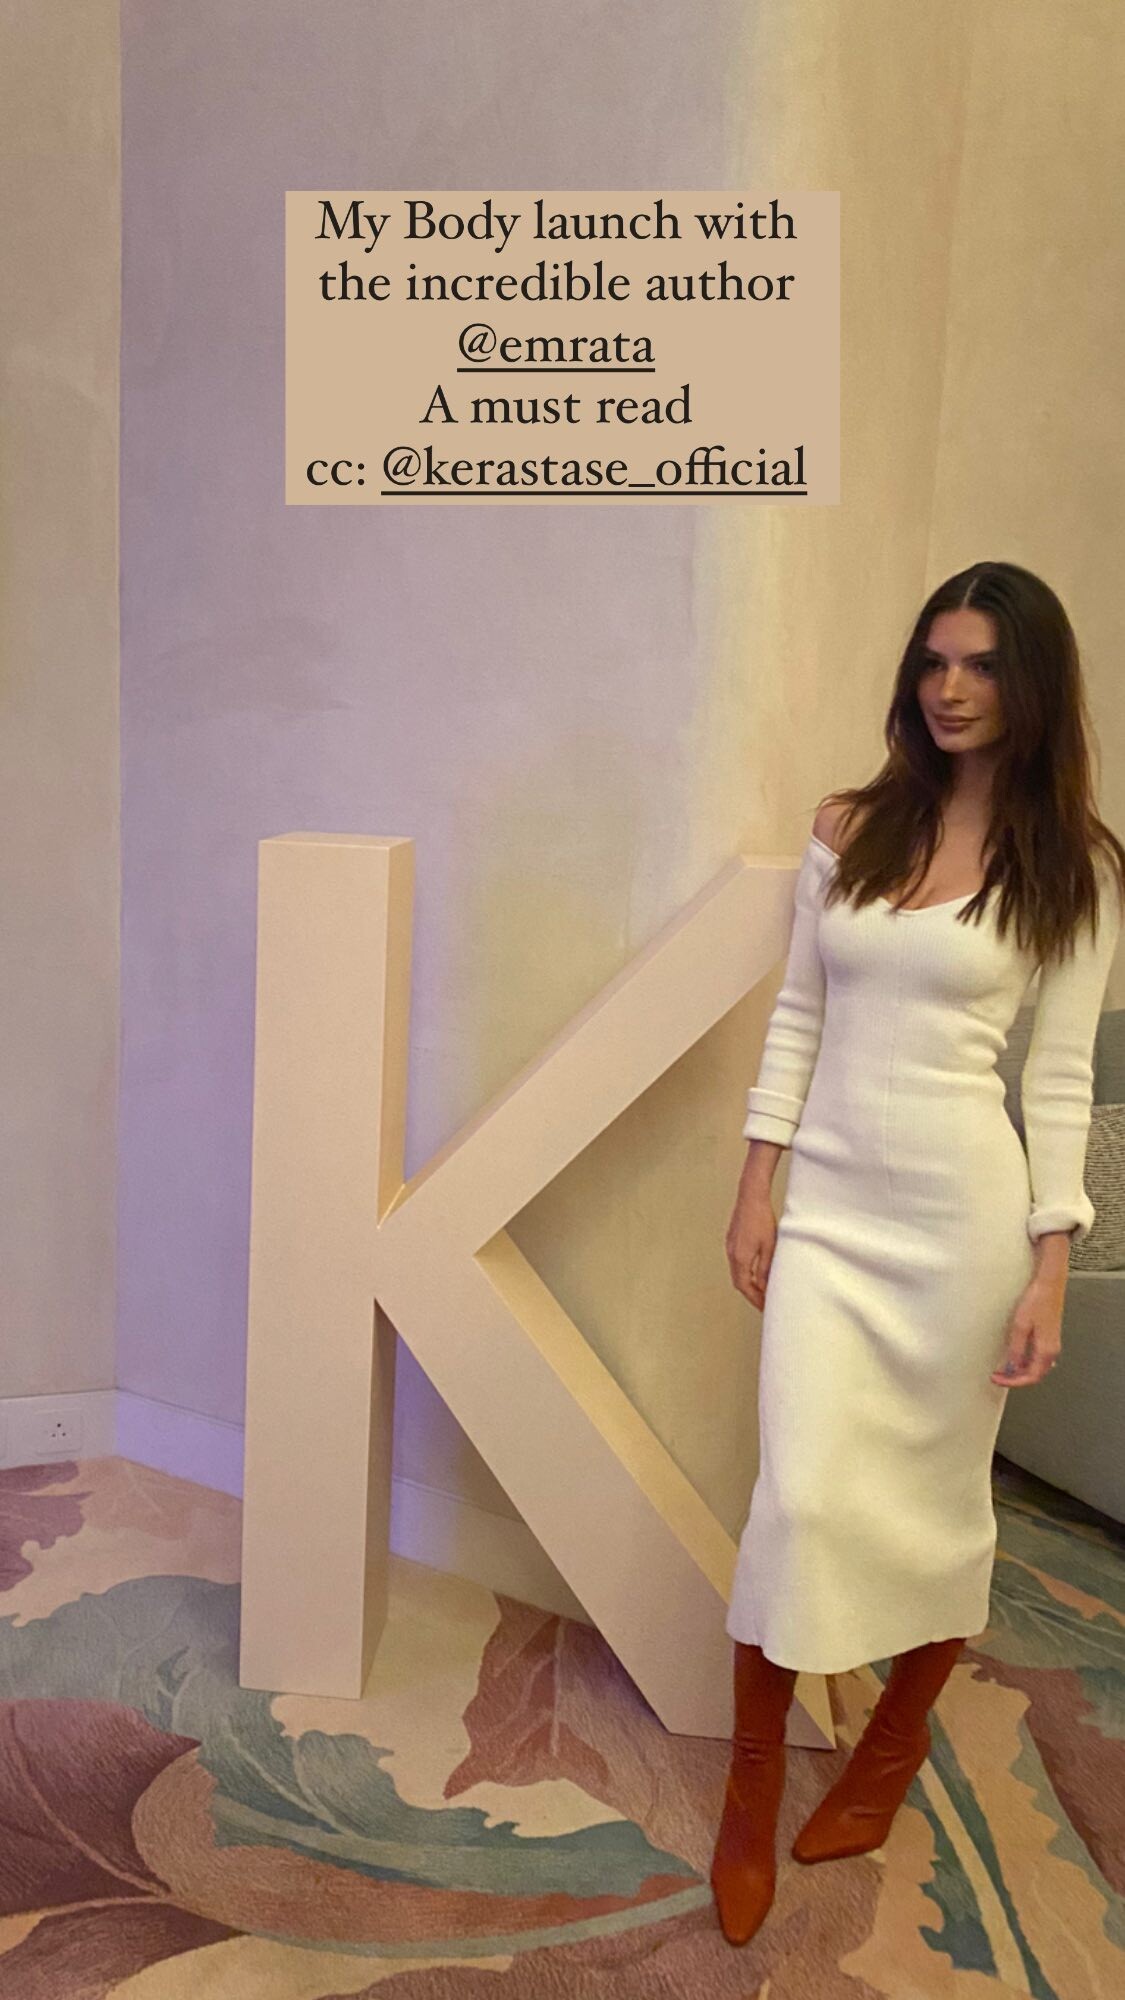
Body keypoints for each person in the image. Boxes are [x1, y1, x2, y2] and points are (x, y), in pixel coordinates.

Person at [710, 561, 1125, 1948]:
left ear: (1032, 683)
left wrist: (1053, 1262)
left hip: (965, 1229)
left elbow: (1058, 1081)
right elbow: (798, 1016)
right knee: (800, 1497)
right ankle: (751, 1781)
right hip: (829, 1219)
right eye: (934, 661)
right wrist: (756, 1182)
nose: (950, 688)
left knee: (941, 1506)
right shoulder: (850, 829)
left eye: (982, 666)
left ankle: (894, 1736)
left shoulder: (1076, 867)